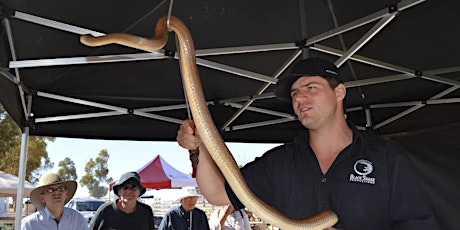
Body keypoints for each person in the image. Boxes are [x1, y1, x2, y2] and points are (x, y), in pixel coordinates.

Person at [176, 57, 439, 229]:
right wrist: (198, 148)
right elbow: (217, 193)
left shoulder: (387, 157)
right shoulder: (279, 163)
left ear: (339, 92)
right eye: (294, 93)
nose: (300, 98)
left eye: (311, 87)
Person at [21, 173, 88, 230]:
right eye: (50, 190)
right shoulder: (29, 224)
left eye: (61, 188)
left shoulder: (78, 219)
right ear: (42, 198)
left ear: (66, 194)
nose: (57, 192)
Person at [89, 171, 154, 230]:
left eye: (134, 187)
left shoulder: (146, 212)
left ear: (139, 192)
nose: (129, 191)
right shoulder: (104, 211)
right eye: (125, 187)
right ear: (119, 191)